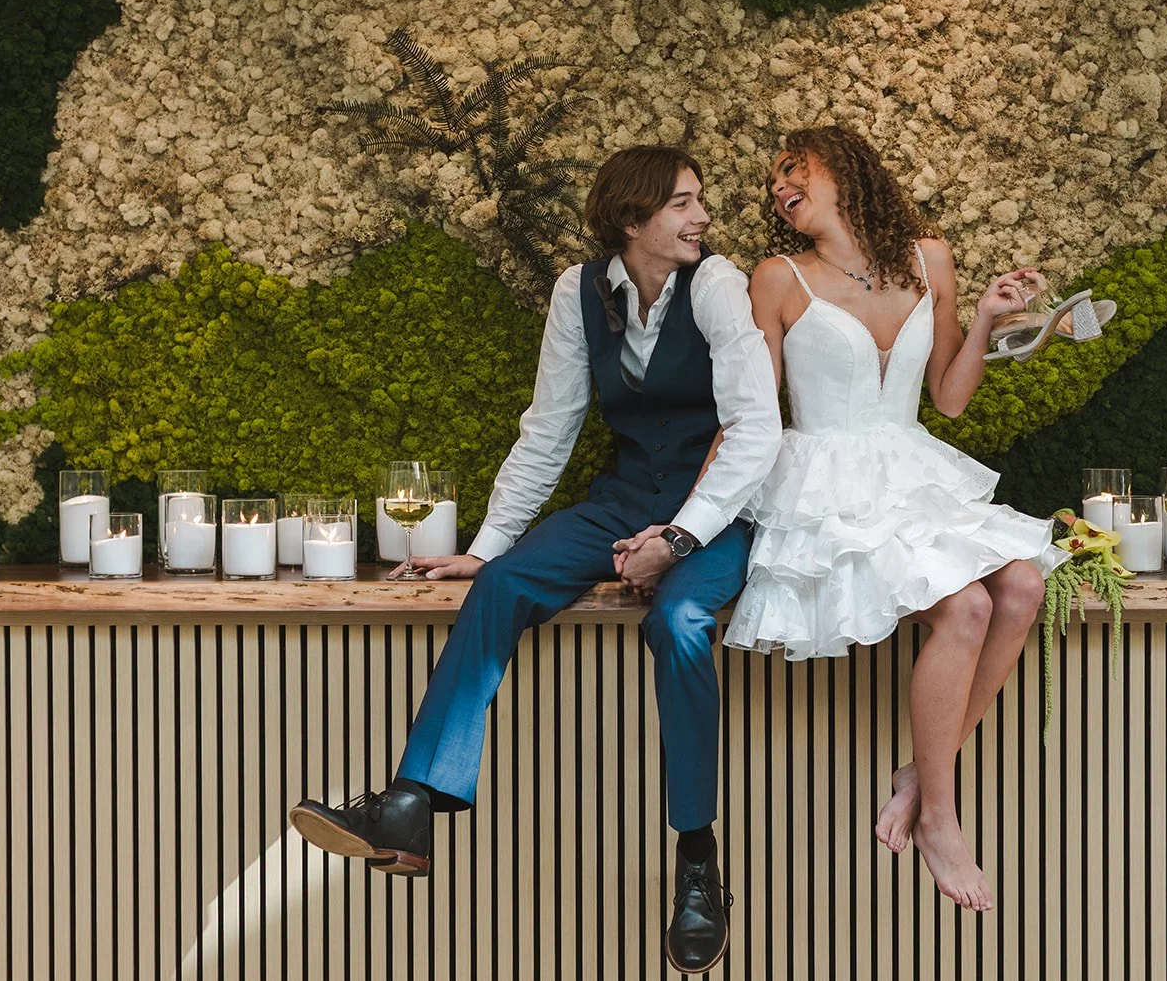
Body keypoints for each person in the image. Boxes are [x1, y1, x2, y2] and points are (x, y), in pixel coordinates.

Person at [290, 146, 781, 974]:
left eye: (699, 200)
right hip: (625, 498)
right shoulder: (577, 293)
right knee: (507, 581)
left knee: (679, 622)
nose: (701, 217)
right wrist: (485, 547)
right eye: (682, 203)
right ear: (632, 219)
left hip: (718, 508)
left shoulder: (718, 285)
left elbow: (757, 428)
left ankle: (697, 860)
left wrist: (679, 538)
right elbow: (549, 429)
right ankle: (408, 805)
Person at [723, 125, 1074, 912]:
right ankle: (940, 819)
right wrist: (691, 518)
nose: (779, 185)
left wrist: (983, 318)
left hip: (912, 471)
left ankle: (921, 772)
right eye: (773, 180)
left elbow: (948, 398)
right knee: (968, 606)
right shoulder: (777, 277)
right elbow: (752, 414)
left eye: (794, 167)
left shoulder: (930, 260)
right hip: (827, 486)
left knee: (1023, 587)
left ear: (845, 168)